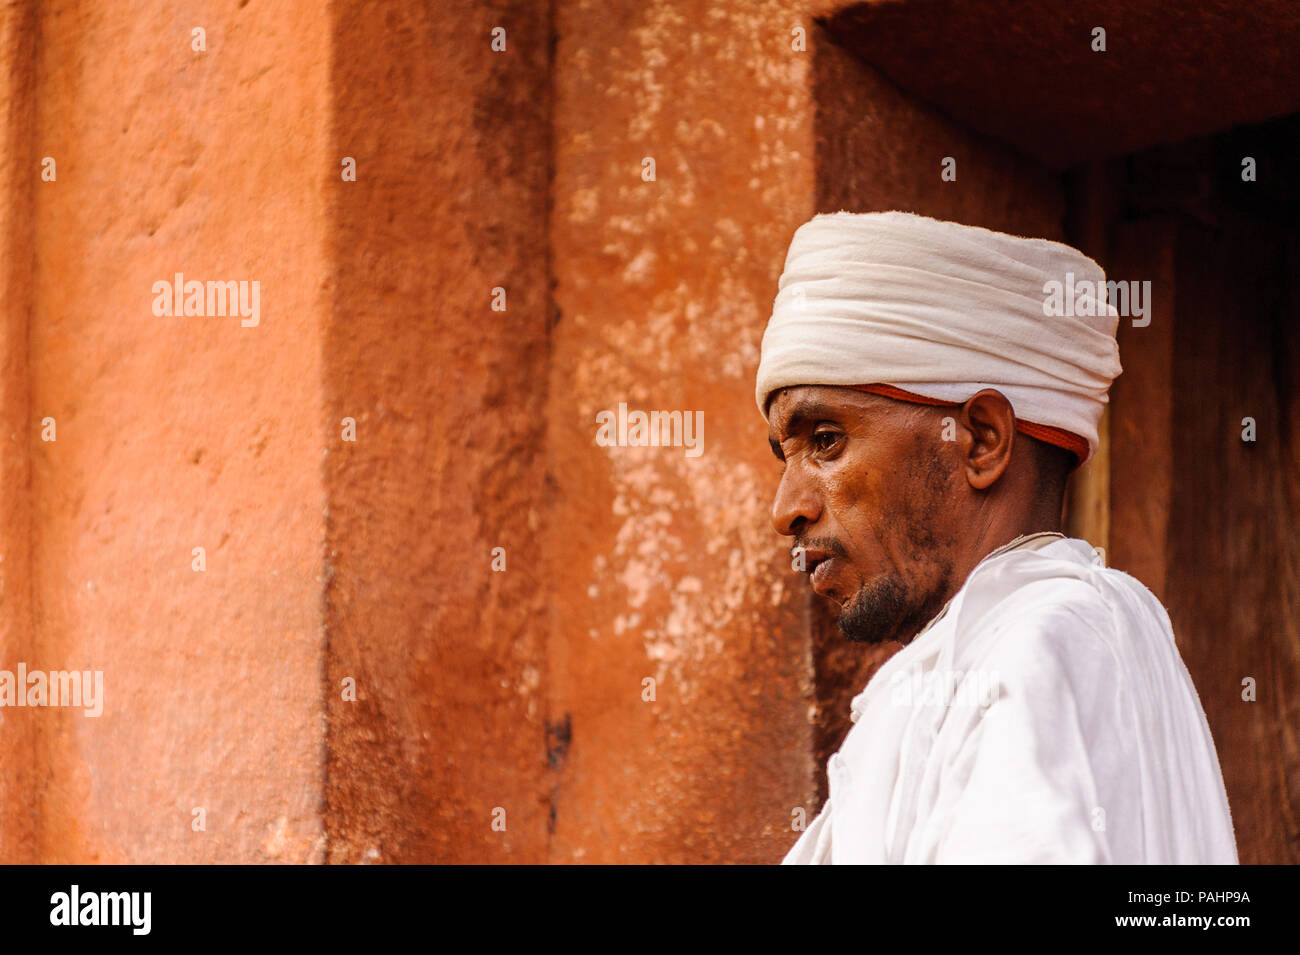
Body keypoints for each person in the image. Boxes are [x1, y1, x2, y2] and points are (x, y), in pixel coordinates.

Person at [757, 211, 1237, 864]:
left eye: (827, 441)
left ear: (980, 439)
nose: (786, 508)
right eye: (783, 454)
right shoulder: (974, 662)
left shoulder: (1038, 643)